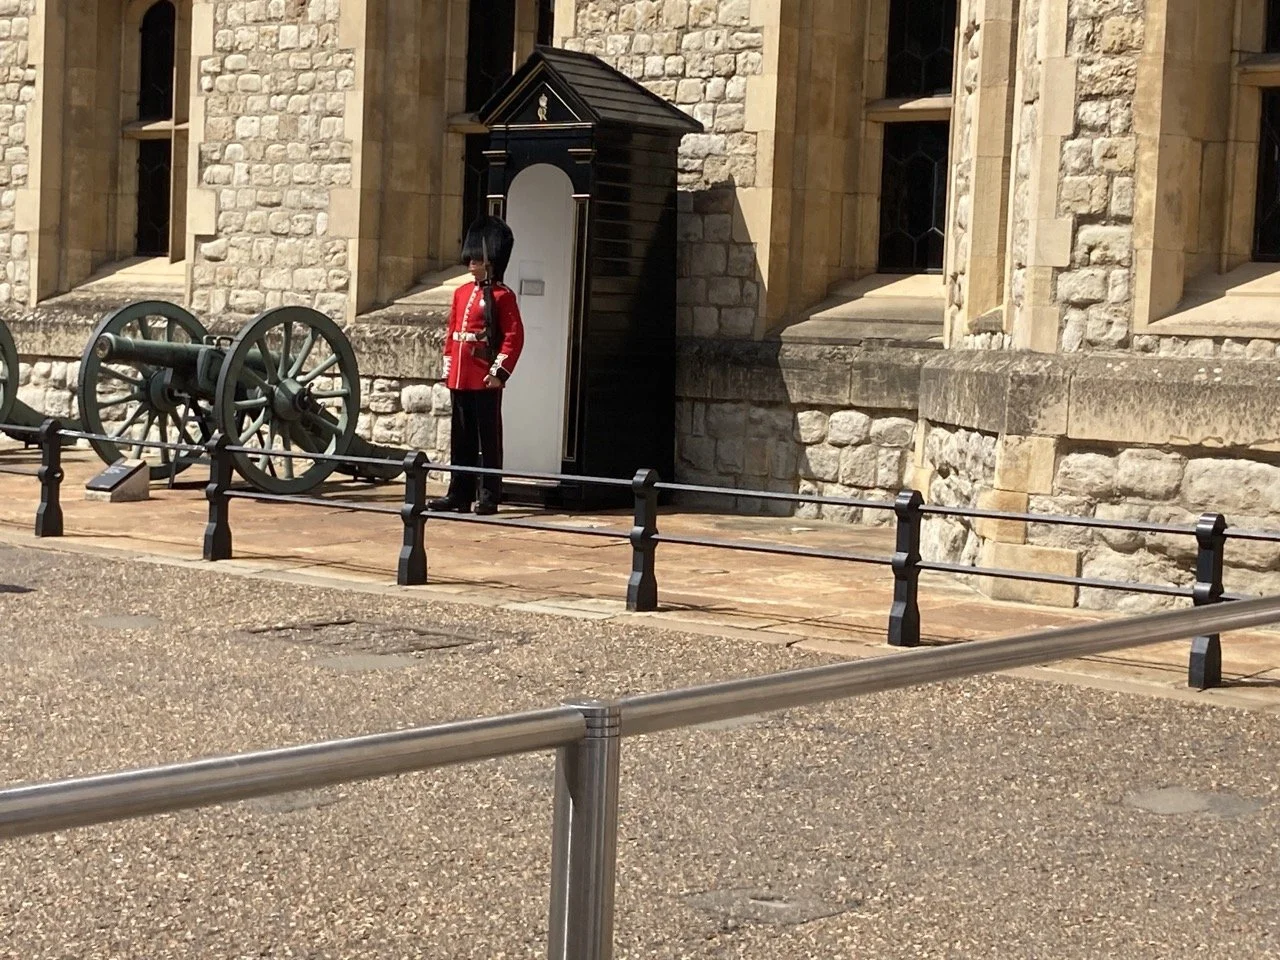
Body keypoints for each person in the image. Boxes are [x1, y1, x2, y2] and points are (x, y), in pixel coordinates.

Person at [429, 215, 525, 515]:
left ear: (491, 260)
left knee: (488, 438)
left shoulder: (502, 295)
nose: (471, 261)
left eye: (477, 257)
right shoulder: (461, 293)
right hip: (460, 374)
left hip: (484, 376)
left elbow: (513, 337)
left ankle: (489, 494)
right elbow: (452, 332)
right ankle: (459, 493)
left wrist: (498, 372)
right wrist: (448, 364)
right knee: (461, 438)